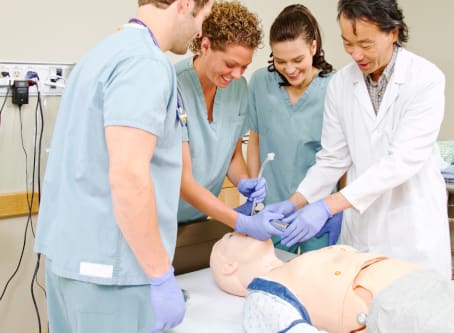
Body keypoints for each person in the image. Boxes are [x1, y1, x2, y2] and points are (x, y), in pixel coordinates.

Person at [33, 1, 214, 332]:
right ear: (186, 4)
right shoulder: (145, 64)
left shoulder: (98, 55)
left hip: (68, 265)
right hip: (113, 277)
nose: (201, 30)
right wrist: (160, 274)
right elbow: (129, 176)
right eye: (203, 17)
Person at [265, 0, 451, 277]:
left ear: (393, 33)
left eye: (365, 44)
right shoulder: (341, 84)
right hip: (362, 233)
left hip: (412, 233)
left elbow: (401, 162)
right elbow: (332, 158)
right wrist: (294, 202)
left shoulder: (426, 80)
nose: (355, 54)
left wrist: (327, 206)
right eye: (347, 43)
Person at [210, 232, 454, 333]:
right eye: (231, 236)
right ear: (228, 265)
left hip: (424, 281)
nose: (239, 228)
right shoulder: (264, 291)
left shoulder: (293, 263)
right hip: (396, 307)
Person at [175, 0, 283, 241]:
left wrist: (244, 182)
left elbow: (232, 155)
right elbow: (182, 179)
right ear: (205, 45)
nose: (236, 74)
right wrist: (238, 220)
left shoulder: (238, 89)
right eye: (230, 64)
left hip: (201, 219)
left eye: (244, 67)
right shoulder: (174, 86)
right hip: (162, 219)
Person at [246, 4, 343, 254]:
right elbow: (254, 141)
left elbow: (342, 159)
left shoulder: (335, 88)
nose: (290, 69)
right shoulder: (260, 83)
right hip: (272, 211)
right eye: (280, 61)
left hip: (316, 213)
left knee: (315, 285)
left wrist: (337, 209)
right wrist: (254, 201)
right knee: (272, 283)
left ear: (313, 47)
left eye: (298, 59)